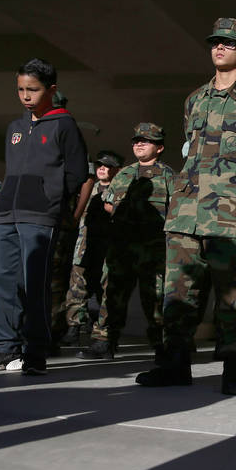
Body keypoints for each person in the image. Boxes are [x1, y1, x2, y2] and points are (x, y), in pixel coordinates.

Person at [135, 18, 236, 394]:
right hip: (185, 211)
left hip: (231, 215)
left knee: (233, 295)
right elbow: (190, 150)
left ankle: (232, 369)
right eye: (216, 42)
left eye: (229, 45)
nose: (220, 48)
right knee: (178, 293)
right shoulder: (194, 99)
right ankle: (175, 365)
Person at [0, 58, 89, 375]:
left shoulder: (65, 125)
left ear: (51, 89)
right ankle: (4, 350)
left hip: (40, 216)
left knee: (34, 285)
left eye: (32, 90)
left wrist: (53, 199)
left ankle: (35, 353)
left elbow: (77, 173)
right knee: (3, 282)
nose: (25, 96)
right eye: (20, 89)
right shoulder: (15, 128)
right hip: (7, 213)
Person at [81, 124, 173, 360]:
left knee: (155, 298)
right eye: (136, 140)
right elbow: (109, 204)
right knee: (112, 293)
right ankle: (104, 341)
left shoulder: (170, 176)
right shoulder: (123, 174)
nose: (139, 144)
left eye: (146, 140)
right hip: (120, 247)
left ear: (159, 147)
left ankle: (162, 344)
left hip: (152, 250)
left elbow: (176, 213)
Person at [48, 90, 96, 347]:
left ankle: (53, 331)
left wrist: (75, 215)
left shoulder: (68, 133)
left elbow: (87, 177)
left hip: (58, 217)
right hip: (34, 216)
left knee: (55, 279)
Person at [62, 150, 122, 346]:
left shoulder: (121, 190)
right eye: (100, 165)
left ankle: (102, 332)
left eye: (108, 166)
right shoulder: (88, 189)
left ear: (117, 170)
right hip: (85, 247)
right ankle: (73, 328)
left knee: (106, 291)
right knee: (76, 288)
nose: (102, 168)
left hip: (108, 249)